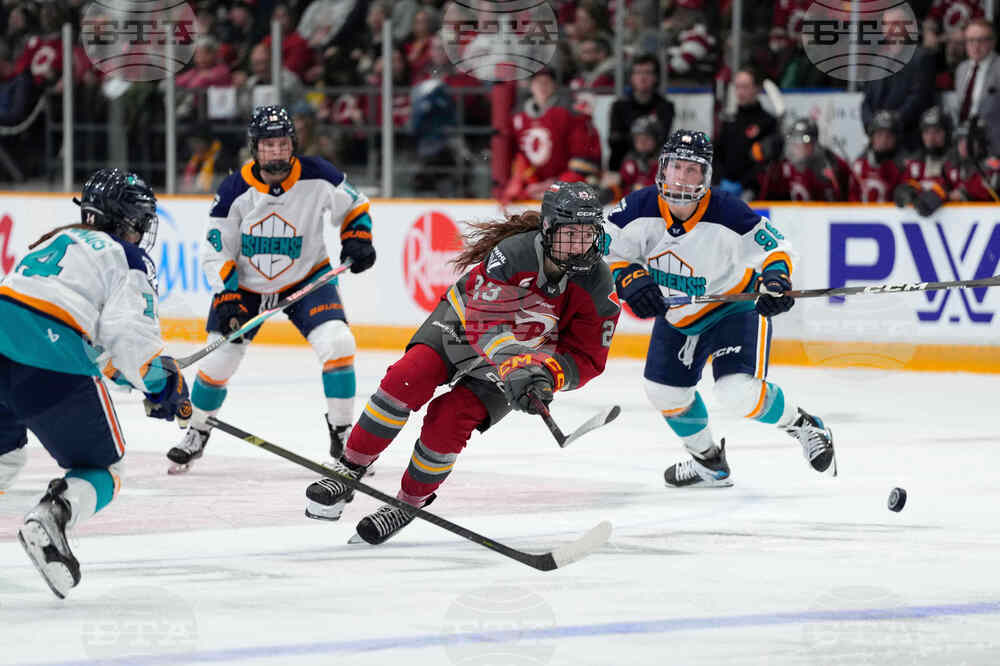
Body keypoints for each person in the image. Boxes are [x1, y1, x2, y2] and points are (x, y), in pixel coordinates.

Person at [303, 182, 621, 544]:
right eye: (570, 235)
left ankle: (408, 503)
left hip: (518, 362)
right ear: (547, 228)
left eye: (587, 234)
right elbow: (485, 322)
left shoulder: (599, 285)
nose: (579, 246)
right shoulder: (515, 254)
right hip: (461, 327)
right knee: (409, 377)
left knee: (450, 421)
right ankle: (349, 468)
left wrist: (546, 375)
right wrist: (516, 367)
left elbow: (587, 357)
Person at [605, 130, 836, 488]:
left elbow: (777, 248)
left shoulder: (728, 212)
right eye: (676, 167)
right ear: (663, 169)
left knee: (736, 392)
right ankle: (708, 462)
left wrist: (775, 280)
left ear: (706, 175)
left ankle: (804, 426)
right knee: (663, 391)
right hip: (678, 314)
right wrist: (629, 277)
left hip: (733, 307)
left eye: (692, 170)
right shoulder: (638, 208)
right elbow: (606, 248)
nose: (681, 177)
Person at [0, 168, 191, 598]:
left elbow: (94, 339)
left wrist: (139, 378)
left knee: (5, 455)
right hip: (46, 357)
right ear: (126, 219)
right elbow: (130, 336)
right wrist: (163, 386)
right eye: (140, 220)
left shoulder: (53, 240)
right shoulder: (127, 257)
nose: (142, 230)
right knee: (104, 469)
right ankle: (53, 516)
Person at [167, 105, 376, 473]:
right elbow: (217, 249)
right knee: (219, 360)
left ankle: (344, 435)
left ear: (293, 144)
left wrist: (357, 237)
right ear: (255, 148)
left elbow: (355, 205)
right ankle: (197, 430)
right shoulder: (234, 189)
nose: (276, 152)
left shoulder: (319, 174)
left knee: (339, 343)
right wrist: (228, 294)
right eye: (268, 145)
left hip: (306, 279)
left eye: (282, 144)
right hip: (246, 288)